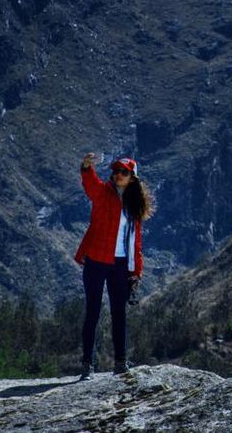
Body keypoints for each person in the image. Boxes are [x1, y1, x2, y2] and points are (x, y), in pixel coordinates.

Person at [74, 152, 153, 378]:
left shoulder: (134, 206)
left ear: (132, 178)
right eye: (116, 171)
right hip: (96, 261)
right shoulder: (103, 193)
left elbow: (136, 243)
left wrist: (136, 272)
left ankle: (120, 363)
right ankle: (87, 364)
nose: (118, 175)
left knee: (119, 313)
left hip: (120, 265)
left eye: (124, 172)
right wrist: (87, 167)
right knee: (93, 312)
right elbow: (91, 185)